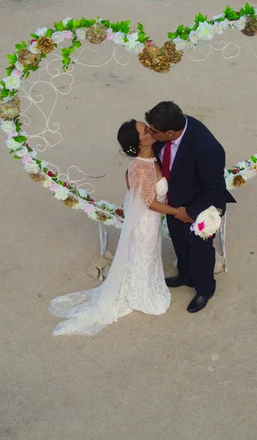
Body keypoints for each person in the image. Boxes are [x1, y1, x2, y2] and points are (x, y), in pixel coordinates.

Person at [48, 119, 181, 335]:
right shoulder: (140, 166)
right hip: (145, 223)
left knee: (148, 256)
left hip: (151, 220)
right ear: (139, 143)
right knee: (144, 256)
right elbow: (150, 202)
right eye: (146, 130)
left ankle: (145, 287)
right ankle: (141, 295)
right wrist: (178, 212)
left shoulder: (150, 155)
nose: (151, 130)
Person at [145, 101, 236, 313]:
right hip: (175, 202)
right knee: (179, 241)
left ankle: (205, 289)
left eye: (154, 131)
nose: (150, 133)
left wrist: (190, 213)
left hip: (203, 208)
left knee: (200, 250)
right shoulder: (166, 134)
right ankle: (185, 276)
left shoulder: (207, 149)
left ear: (169, 132)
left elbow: (214, 191)